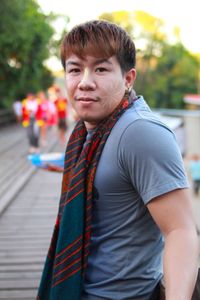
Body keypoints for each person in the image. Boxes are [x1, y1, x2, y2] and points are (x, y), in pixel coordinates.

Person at [37, 20, 199, 300]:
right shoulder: (88, 131)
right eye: (75, 69)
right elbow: (111, 174)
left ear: (128, 78)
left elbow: (180, 230)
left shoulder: (141, 132)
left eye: (100, 69)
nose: (85, 82)